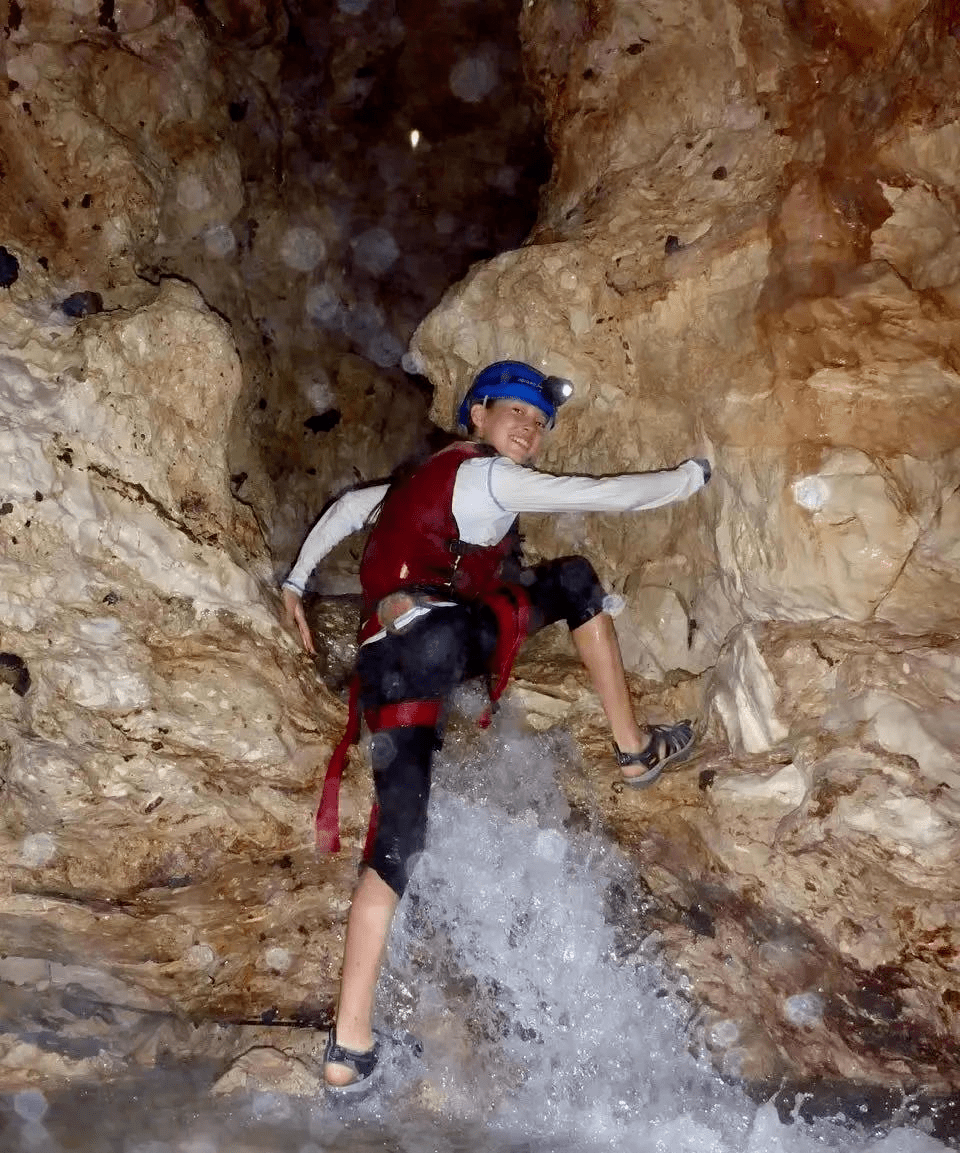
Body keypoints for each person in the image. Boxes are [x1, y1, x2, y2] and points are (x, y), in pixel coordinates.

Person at [281, 360, 711, 1091]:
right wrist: (692, 478)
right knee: (574, 580)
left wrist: (295, 581)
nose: (529, 428)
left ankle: (347, 1051)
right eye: (514, 411)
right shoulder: (489, 477)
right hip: (438, 641)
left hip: (384, 662)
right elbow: (605, 497)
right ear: (474, 416)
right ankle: (635, 750)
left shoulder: (420, 482)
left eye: (539, 421)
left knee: (398, 840)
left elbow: (353, 508)